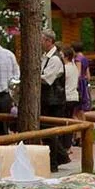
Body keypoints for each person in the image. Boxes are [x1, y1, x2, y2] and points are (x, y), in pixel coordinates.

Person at [40, 30, 69, 169]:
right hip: (48, 100)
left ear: (49, 41)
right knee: (46, 131)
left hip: (54, 101)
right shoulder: (46, 57)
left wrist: (32, 75)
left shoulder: (55, 59)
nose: (40, 42)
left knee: (50, 131)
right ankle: (58, 157)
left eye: (42, 39)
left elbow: (47, 79)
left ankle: (56, 160)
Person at [62, 46, 81, 119]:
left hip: (67, 96)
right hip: (74, 96)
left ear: (66, 57)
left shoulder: (65, 68)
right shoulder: (74, 66)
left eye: (62, 55)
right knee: (71, 116)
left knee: (67, 118)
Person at [72, 43, 91, 113]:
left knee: (78, 104)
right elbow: (88, 74)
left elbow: (78, 72)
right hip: (84, 80)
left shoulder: (78, 59)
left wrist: (76, 82)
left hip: (80, 81)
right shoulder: (85, 58)